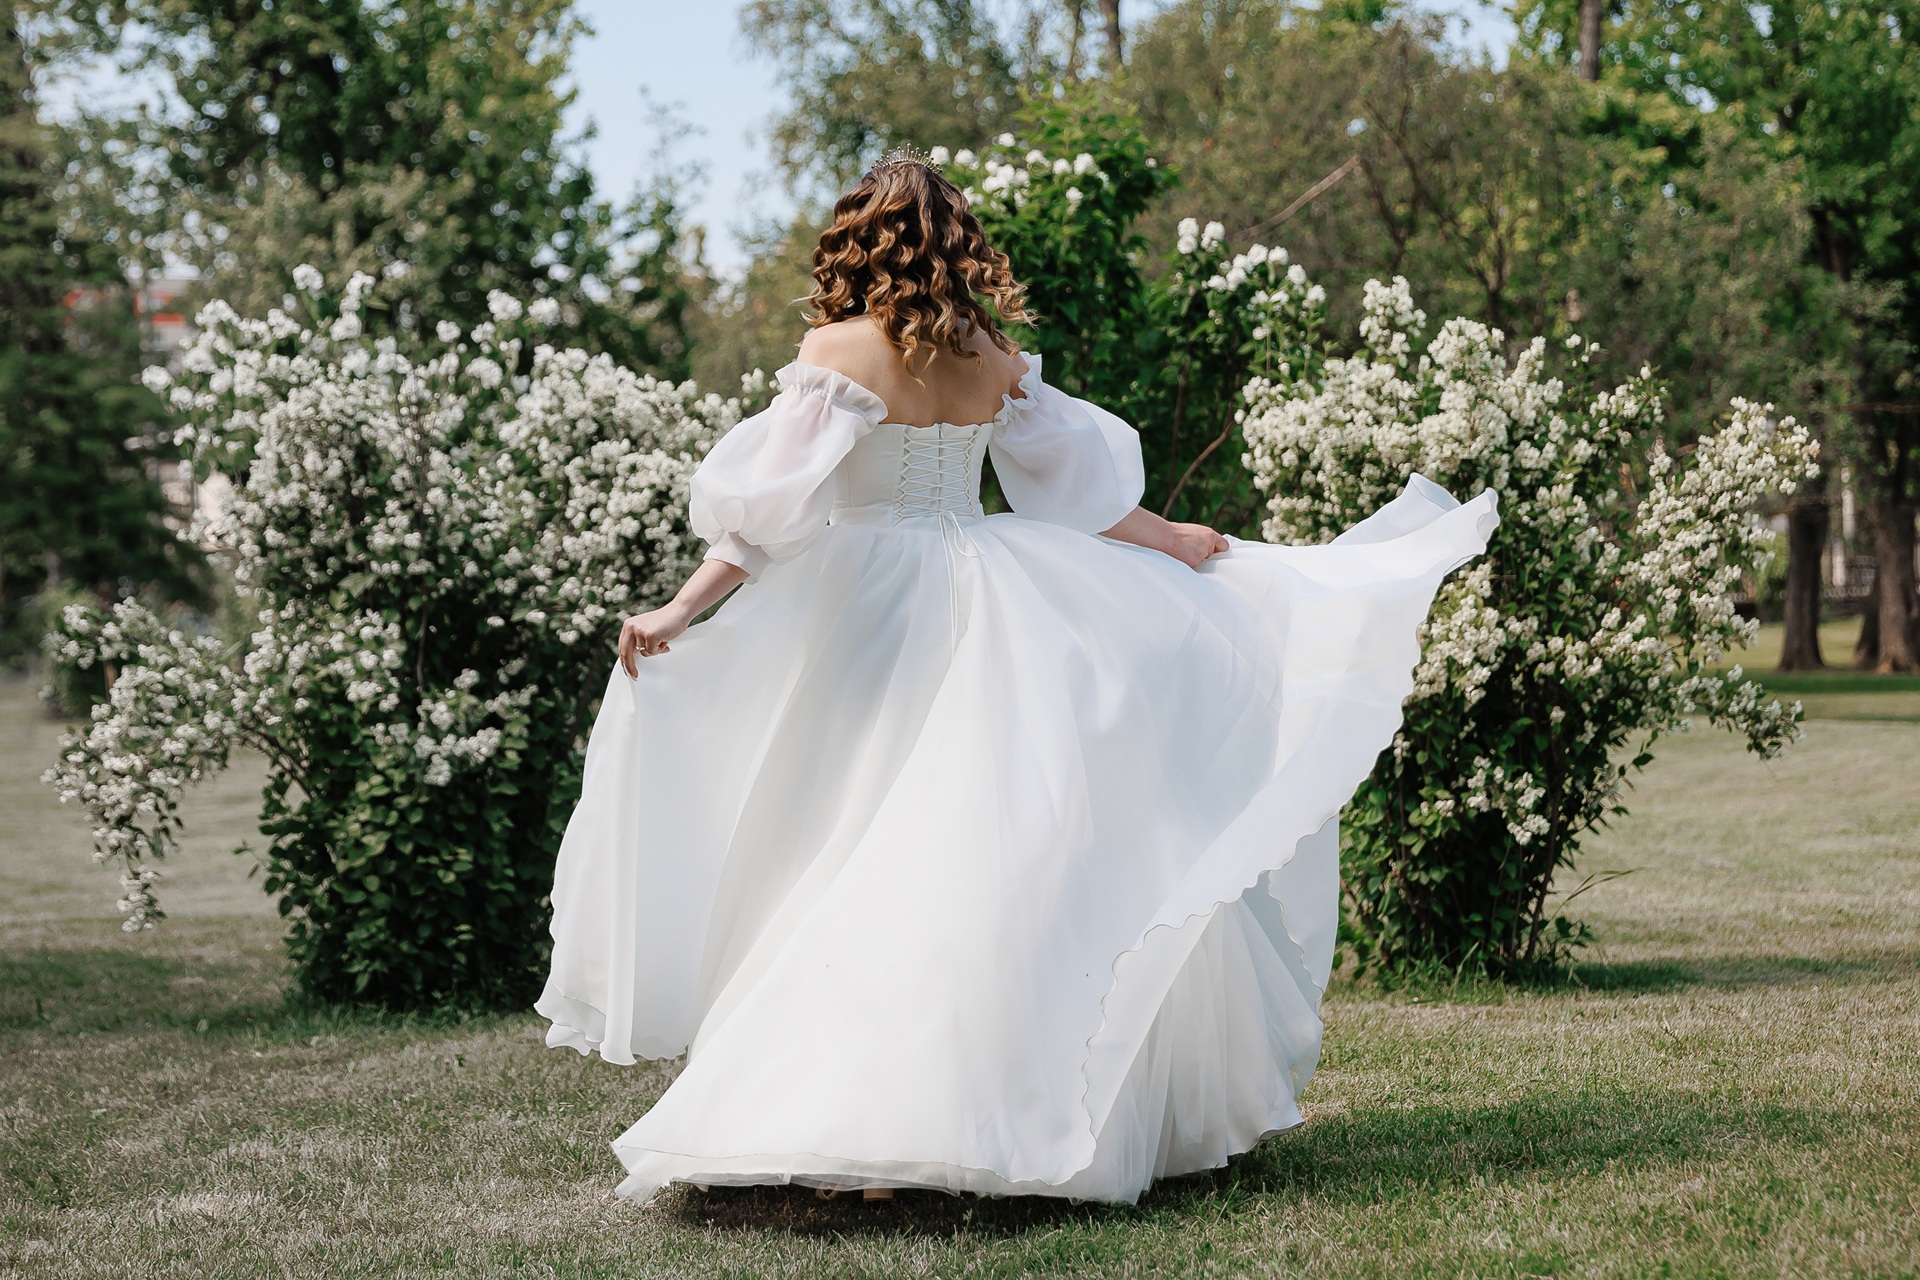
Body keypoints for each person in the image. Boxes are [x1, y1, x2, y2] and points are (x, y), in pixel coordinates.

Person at [537, 146, 1498, 1205]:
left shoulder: (837, 350)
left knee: (845, 843)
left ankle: (851, 1118)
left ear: (859, 242)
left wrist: (680, 608)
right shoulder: (995, 358)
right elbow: (1071, 499)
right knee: (992, 851)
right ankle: (997, 1109)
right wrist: (1167, 538)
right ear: (958, 247)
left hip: (866, 608)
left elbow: (765, 519)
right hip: (989, 589)